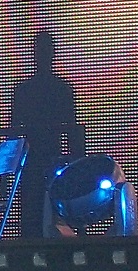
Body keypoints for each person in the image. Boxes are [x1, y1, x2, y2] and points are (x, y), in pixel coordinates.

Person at [8, 28, 85, 236]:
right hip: (35, 165)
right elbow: (14, 135)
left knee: (48, 221)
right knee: (35, 221)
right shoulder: (51, 90)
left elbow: (73, 133)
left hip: (50, 164)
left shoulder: (50, 90)